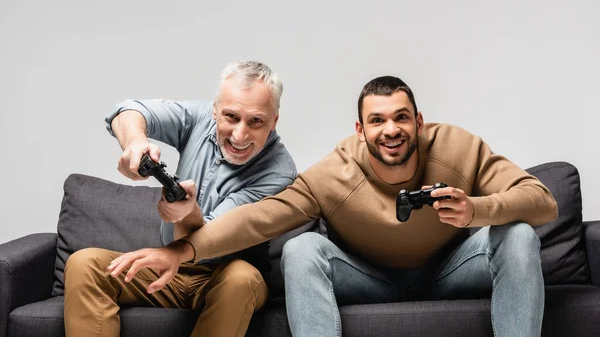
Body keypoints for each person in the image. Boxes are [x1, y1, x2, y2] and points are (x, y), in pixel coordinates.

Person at [107, 76, 558, 337]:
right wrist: (182, 252)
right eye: (377, 120)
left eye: (401, 117)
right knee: (301, 249)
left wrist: (475, 209)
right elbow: (260, 218)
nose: (391, 130)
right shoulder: (335, 173)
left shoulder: (459, 147)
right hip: (369, 280)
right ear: (360, 130)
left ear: (418, 123)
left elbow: (542, 202)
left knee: (517, 234)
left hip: (452, 271)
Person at [63, 61, 297, 337]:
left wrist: (187, 214)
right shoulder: (199, 117)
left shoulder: (280, 172)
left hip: (225, 276)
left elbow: (216, 234)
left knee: (241, 278)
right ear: (214, 110)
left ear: (274, 121)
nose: (239, 134)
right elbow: (127, 110)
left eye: (256, 121)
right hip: (167, 269)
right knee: (84, 263)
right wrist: (135, 143)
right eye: (231, 116)